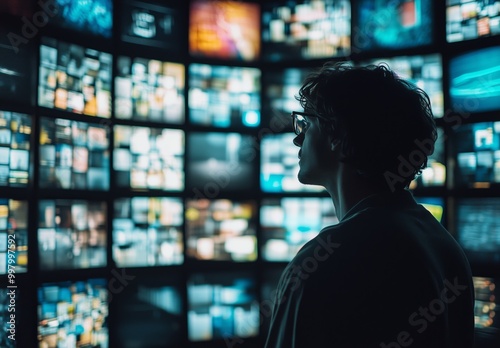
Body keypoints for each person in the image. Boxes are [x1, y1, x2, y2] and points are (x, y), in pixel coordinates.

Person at [264, 62, 475, 348]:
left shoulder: (322, 262)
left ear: (337, 135)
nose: (296, 137)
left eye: (307, 123)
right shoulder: (443, 246)